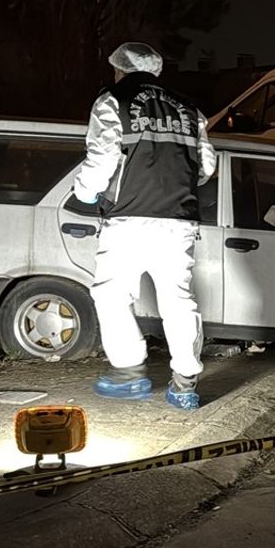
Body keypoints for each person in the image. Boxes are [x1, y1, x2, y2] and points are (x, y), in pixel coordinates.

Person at [72, 42, 216, 410]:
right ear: (156, 71)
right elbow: (205, 167)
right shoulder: (188, 107)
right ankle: (185, 383)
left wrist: (85, 193)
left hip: (128, 218)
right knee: (179, 299)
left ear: (118, 69)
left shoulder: (112, 100)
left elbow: (102, 156)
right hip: (179, 219)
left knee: (111, 294)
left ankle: (129, 373)